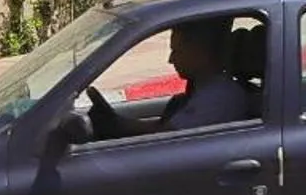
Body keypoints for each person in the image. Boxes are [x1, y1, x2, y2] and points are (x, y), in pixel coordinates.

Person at [88, 18, 258, 139]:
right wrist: (120, 122)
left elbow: (167, 136)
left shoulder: (221, 96)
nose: (171, 59)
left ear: (200, 53)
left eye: (177, 51)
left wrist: (118, 125)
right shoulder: (207, 90)